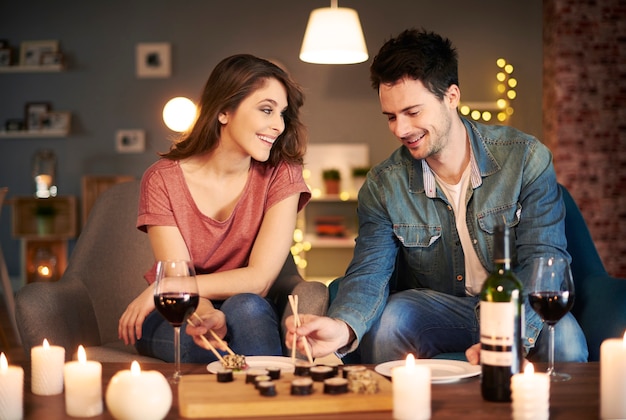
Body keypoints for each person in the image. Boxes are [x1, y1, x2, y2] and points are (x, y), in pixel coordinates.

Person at [286, 29, 588, 365]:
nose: (400, 129)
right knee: (390, 322)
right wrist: (342, 327)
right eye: (391, 116)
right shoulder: (383, 184)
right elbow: (369, 272)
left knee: (568, 343)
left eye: (413, 112)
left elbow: (543, 257)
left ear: (452, 97)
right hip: (440, 311)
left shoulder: (526, 158)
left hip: (517, 309)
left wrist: (508, 336)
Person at [118, 54, 311, 363]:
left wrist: (168, 285)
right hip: (177, 312)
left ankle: (265, 409)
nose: (278, 125)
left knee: (246, 307)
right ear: (223, 111)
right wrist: (207, 314)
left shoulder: (282, 174)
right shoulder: (162, 179)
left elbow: (259, 279)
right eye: (266, 110)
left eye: (282, 114)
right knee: (209, 338)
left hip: (248, 306)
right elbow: (179, 280)